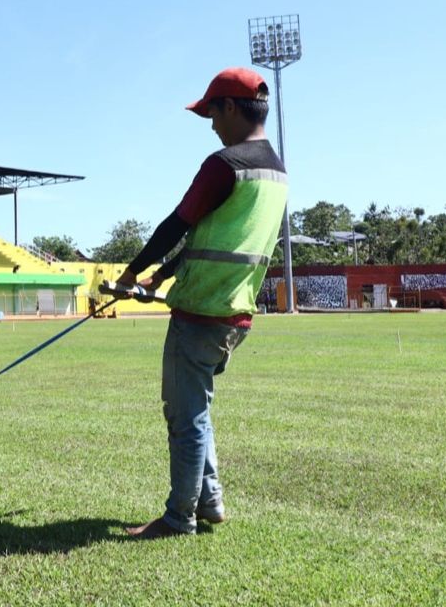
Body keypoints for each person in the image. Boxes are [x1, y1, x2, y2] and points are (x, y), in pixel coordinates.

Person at [117, 67, 288, 540]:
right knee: (198, 408)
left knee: (185, 415)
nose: (211, 124)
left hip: (200, 311)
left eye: (212, 112)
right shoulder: (276, 172)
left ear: (230, 108)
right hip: (236, 312)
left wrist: (131, 271)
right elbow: (213, 236)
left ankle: (179, 518)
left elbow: (178, 223)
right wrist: (163, 273)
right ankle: (210, 502)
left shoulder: (224, 164)